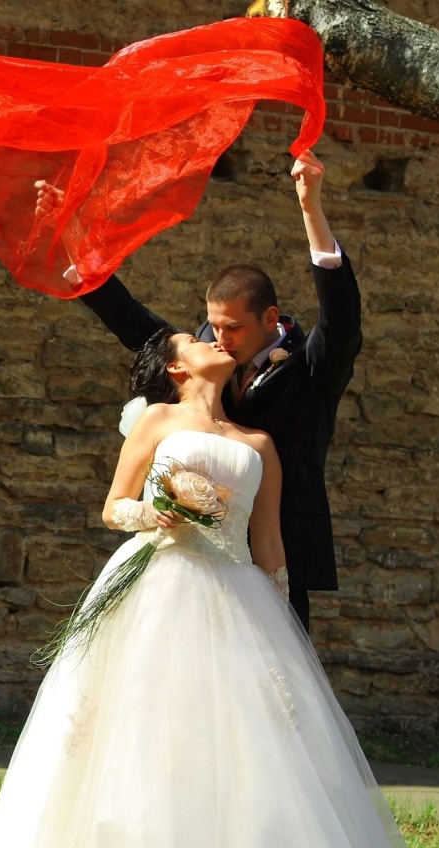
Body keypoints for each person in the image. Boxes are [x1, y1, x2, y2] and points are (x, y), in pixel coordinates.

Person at [0, 329, 439, 848]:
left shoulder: (260, 445)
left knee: (239, 757)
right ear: (176, 365)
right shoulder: (160, 420)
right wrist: (152, 516)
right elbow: (114, 505)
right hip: (158, 583)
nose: (210, 339)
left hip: (236, 594)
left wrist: (283, 628)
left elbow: (270, 542)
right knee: (143, 744)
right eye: (193, 338)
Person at [56, 150, 360, 631]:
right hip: (188, 559)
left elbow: (342, 320)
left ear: (271, 319)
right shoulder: (203, 359)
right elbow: (137, 326)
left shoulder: (312, 369)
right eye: (212, 327)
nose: (218, 339)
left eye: (232, 329)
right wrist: (76, 247)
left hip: (279, 555)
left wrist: (311, 208)